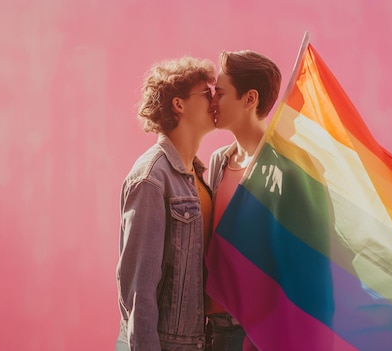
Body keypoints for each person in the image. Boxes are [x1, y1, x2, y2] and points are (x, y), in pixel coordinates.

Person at [116, 56, 217, 351]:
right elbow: (139, 290)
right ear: (179, 104)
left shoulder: (197, 174)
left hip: (199, 341)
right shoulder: (151, 179)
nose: (214, 100)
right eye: (206, 93)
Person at [205, 50, 282, 350]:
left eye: (220, 93)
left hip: (256, 332)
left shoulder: (283, 166)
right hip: (214, 330)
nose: (212, 102)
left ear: (250, 99)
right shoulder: (218, 162)